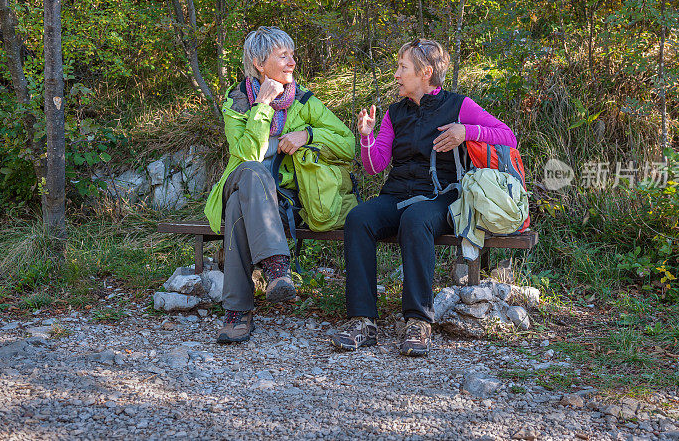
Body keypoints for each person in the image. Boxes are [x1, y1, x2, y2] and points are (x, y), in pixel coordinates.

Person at [331, 39, 517, 356]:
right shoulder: (394, 113)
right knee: (359, 218)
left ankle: (418, 322)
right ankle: (363, 321)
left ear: (425, 72)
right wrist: (366, 137)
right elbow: (375, 166)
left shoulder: (459, 106)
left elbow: (507, 136)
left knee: (415, 221)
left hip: (442, 197)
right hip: (398, 192)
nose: (396, 75)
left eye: (402, 67)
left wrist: (466, 131)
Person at [204, 27, 355, 344]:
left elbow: (348, 144)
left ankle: (238, 313)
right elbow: (247, 154)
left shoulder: (303, 102)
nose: (292, 63)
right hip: (241, 180)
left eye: (292, 55)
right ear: (260, 63)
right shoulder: (238, 102)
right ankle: (277, 270)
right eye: (283, 56)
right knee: (253, 173)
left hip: (285, 201)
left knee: (237, 210)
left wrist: (308, 136)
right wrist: (263, 105)